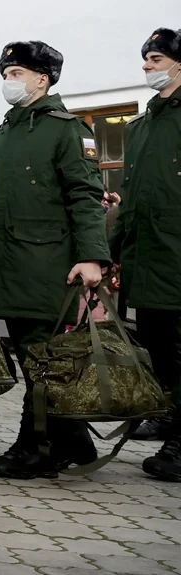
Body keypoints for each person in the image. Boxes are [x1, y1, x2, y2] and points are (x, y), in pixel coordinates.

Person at [0, 41, 108, 480]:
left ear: (42, 79)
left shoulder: (67, 130)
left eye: (17, 73)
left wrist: (92, 257)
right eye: (6, 74)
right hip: (6, 268)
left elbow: (85, 197)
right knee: (32, 358)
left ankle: (36, 448)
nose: (9, 81)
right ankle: (73, 438)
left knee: (40, 360)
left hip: (47, 267)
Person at [110, 27, 181, 477]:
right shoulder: (142, 126)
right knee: (156, 345)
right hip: (147, 256)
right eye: (147, 59)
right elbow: (132, 196)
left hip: (177, 255)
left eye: (154, 59)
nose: (146, 67)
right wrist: (112, 250)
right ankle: (165, 414)